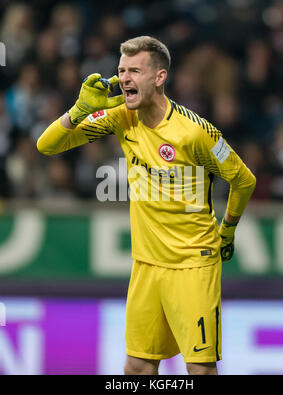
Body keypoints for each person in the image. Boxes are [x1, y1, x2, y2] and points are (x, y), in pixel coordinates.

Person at [37, 36, 256, 375]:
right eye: (121, 70)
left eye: (135, 70)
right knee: (137, 367)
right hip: (146, 265)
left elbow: (244, 180)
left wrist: (227, 229)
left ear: (159, 77)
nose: (124, 78)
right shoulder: (120, 117)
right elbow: (46, 145)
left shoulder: (196, 132)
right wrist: (79, 110)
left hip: (192, 264)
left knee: (199, 369)